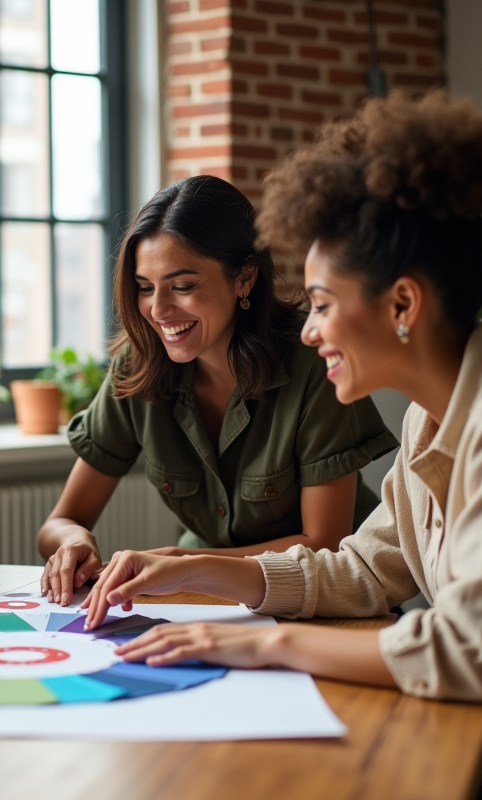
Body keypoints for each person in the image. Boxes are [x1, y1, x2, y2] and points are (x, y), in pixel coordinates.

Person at [81, 92, 482, 799]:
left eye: (323, 305)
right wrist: (197, 570)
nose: (308, 331)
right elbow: (363, 569)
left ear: (402, 306)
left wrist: (261, 642)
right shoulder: (433, 421)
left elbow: (480, 656)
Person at [37, 175, 398, 605]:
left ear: (244, 278)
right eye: (145, 288)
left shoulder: (316, 361)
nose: (159, 310)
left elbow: (323, 545)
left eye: (183, 286)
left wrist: (182, 562)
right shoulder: (135, 368)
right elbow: (59, 521)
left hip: (329, 602)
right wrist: (73, 541)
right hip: (204, 598)